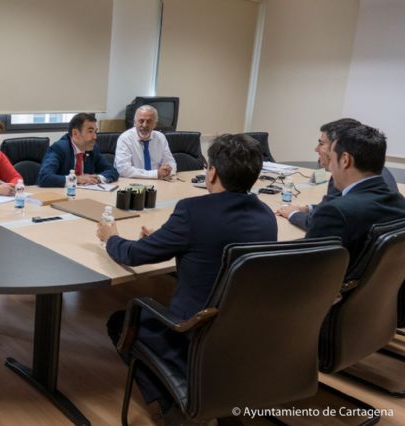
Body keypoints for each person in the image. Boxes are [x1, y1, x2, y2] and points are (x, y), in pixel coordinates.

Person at [97, 134, 277, 420]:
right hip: (243, 334)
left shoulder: (193, 211)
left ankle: (173, 405)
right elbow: (214, 245)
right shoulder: (265, 215)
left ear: (213, 172)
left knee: (120, 323)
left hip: (192, 331)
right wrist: (168, 238)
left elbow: (134, 255)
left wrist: (111, 239)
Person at [306, 124, 405, 265]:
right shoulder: (399, 201)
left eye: (332, 159)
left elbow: (306, 269)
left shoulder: (335, 212)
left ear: (345, 160)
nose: (331, 167)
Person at [276, 118, 398, 230]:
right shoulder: (397, 200)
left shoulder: (340, 200)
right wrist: (308, 208)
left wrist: (293, 214)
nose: (316, 149)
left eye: (322, 143)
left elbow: (326, 217)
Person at [37, 113, 119, 187]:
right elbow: (44, 177)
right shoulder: (59, 148)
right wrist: (77, 179)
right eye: (90, 131)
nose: (95, 137)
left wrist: (97, 178)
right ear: (75, 133)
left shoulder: (93, 149)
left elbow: (112, 171)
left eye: (95, 131)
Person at [114, 105, 177, 179]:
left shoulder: (160, 137)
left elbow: (170, 162)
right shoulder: (125, 138)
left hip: (159, 183)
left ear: (155, 124)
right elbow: (123, 169)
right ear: (134, 123)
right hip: (133, 184)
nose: (144, 125)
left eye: (149, 121)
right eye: (141, 121)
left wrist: (168, 171)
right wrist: (155, 174)